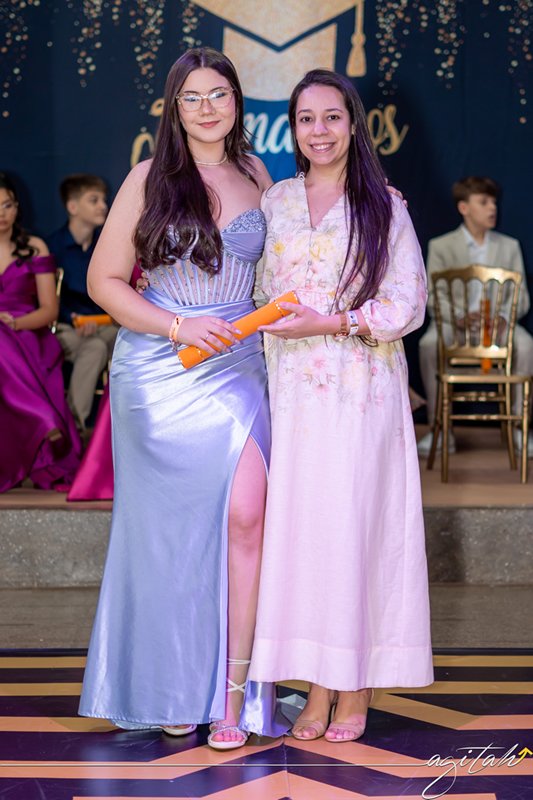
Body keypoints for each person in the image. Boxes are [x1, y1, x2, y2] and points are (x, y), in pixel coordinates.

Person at [78, 48, 286, 749]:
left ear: (237, 100)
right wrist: (175, 325)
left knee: (247, 517)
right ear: (173, 107)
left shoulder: (258, 174)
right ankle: (171, 684)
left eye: (218, 93)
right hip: (160, 369)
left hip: (240, 364)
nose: (206, 108)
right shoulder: (148, 177)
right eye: (191, 97)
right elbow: (104, 281)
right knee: (168, 537)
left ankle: (233, 696)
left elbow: (295, 258)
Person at [247, 69, 434, 742]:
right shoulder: (276, 200)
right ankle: (316, 681)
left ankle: (352, 687)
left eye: (331, 117)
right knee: (307, 537)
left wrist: (329, 322)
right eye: (305, 119)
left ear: (354, 124)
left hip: (360, 391)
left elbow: (406, 304)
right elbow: (259, 291)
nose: (318, 131)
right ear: (292, 129)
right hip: (291, 394)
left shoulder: (384, 204)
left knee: (355, 530)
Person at [417, 176, 533, 457]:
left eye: (493, 202)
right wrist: (458, 317)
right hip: (455, 325)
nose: (492, 208)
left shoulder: (509, 246)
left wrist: (503, 316)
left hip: (498, 325)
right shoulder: (441, 246)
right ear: (464, 208)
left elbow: (521, 297)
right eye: (484, 202)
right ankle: (440, 429)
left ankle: (519, 426)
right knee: (429, 344)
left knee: (527, 345)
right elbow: (432, 295)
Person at [0, 173, 81, 492]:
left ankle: (40, 417)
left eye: (7, 205)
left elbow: (49, 310)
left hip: (29, 331)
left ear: (17, 207)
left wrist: (15, 323)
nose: (1, 213)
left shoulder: (35, 248)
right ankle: (41, 417)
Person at [46, 174, 118, 429]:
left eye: (104, 200)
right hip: (67, 328)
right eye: (94, 200)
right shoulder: (52, 248)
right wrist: (72, 318)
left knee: (131, 341)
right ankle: (74, 427)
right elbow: (47, 297)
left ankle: (120, 426)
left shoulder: (107, 245)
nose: (103, 206)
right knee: (95, 348)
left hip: (107, 326)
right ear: (73, 207)